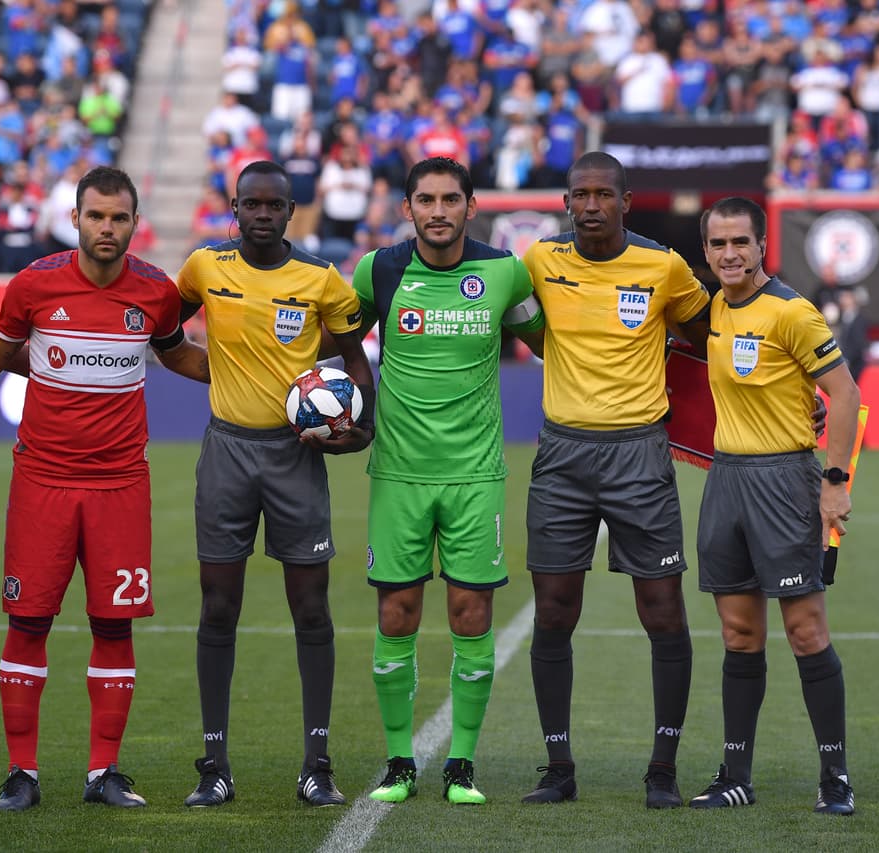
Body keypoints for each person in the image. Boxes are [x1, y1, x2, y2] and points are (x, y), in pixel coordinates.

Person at [0, 166, 210, 812]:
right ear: (74, 218)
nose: (107, 228)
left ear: (135, 223)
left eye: (118, 217)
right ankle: (21, 772)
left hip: (120, 485)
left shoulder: (156, 292)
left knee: (114, 625)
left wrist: (242, 372)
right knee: (28, 622)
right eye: (96, 216)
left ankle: (103, 771)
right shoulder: (32, 285)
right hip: (42, 481)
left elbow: (176, 353)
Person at [174, 160, 374, 808]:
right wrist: (220, 373)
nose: (262, 214)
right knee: (218, 606)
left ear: (292, 211)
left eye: (274, 205)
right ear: (234, 208)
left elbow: (353, 364)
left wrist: (358, 430)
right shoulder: (205, 267)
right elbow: (164, 333)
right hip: (228, 450)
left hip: (296, 457)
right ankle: (214, 765)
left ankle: (317, 762)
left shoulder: (321, 279)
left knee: (311, 608)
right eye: (250, 204)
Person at [519, 151, 712, 809]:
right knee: (553, 610)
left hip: (639, 457)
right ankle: (557, 766)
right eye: (581, 194)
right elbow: (511, 313)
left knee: (662, 612)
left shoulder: (663, 267)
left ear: (627, 202)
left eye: (604, 193)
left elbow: (712, 334)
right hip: (563, 456)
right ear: (567, 202)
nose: (591, 204)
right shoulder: (541, 262)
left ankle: (663, 768)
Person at [352, 157, 545, 806]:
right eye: (426, 200)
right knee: (396, 612)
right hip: (398, 474)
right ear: (407, 208)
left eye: (450, 199)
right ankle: (399, 760)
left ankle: (461, 760)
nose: (438, 211)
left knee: (471, 611)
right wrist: (351, 405)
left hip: (476, 476)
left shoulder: (503, 271)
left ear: (471, 206)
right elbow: (342, 340)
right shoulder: (377, 271)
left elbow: (544, 340)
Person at [688, 196, 861, 816]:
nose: (729, 254)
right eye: (717, 244)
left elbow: (843, 393)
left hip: (785, 480)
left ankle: (835, 777)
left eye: (740, 242)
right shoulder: (714, 305)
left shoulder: (792, 312)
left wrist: (833, 481)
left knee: (805, 631)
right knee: (739, 634)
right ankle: (736, 774)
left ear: (762, 245)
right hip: (726, 478)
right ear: (705, 251)